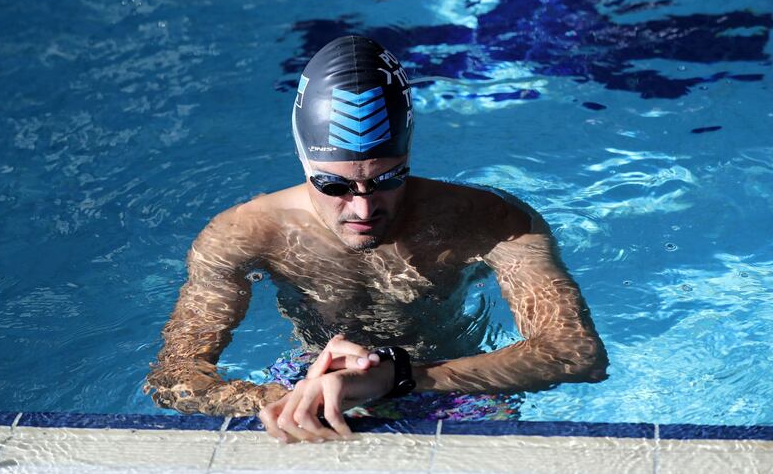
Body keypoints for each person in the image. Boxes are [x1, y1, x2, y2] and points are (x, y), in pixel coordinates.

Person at [144, 35, 608, 443]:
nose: (364, 208)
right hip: (306, 381)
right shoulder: (241, 234)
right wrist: (289, 398)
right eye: (335, 186)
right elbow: (175, 377)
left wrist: (397, 377)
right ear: (304, 164)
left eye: (388, 179)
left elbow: (575, 354)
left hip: (455, 380)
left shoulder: (492, 220)